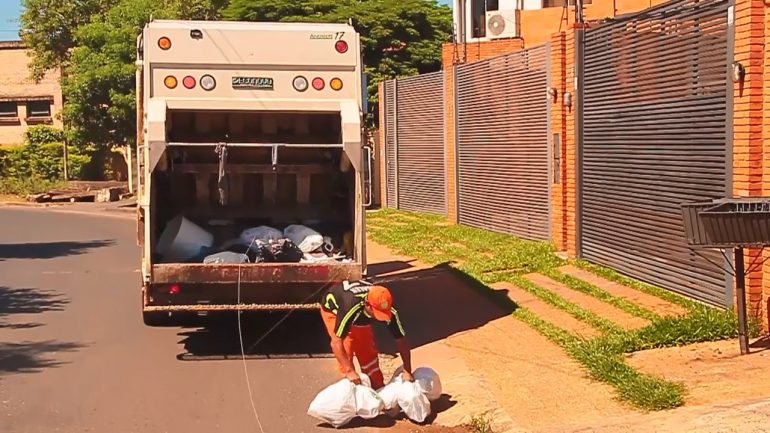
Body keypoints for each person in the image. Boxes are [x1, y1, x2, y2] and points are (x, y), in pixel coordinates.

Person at [320, 280, 413, 389]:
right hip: (334, 311)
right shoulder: (350, 305)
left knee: (366, 349)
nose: (380, 318)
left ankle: (377, 387)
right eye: (377, 313)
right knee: (347, 348)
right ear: (367, 304)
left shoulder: (389, 308)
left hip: (360, 316)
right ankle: (349, 389)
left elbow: (401, 339)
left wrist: (407, 370)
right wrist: (349, 371)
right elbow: (336, 342)